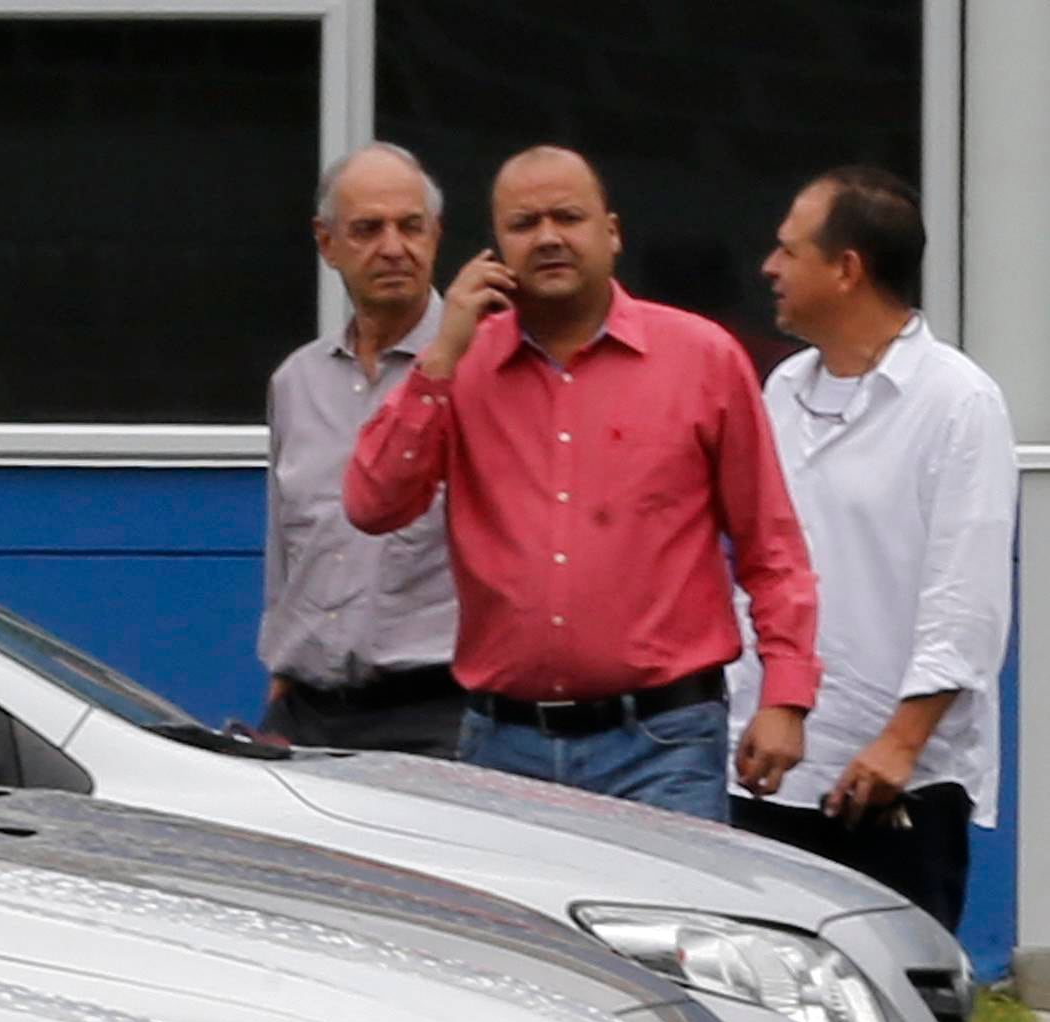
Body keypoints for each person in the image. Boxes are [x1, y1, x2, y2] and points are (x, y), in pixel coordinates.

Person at [347, 145, 820, 819]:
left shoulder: (702, 359)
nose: (548, 238)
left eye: (568, 217)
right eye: (524, 224)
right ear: (495, 248)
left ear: (612, 232)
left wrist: (785, 696)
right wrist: (442, 353)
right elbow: (372, 505)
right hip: (503, 746)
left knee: (669, 896)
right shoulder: (460, 366)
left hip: (663, 742)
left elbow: (770, 545)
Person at [727, 166, 1010, 931]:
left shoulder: (958, 402)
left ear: (847, 268)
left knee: (900, 989)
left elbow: (967, 602)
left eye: (789, 251)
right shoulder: (783, 389)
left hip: (891, 783)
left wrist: (900, 744)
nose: (770, 268)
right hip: (769, 768)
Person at [262, 143, 465, 752]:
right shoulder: (296, 382)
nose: (393, 248)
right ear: (327, 243)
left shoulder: (484, 370)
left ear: (437, 235)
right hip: (305, 712)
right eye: (368, 229)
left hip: (439, 715)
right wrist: (282, 669)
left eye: (411, 226)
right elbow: (287, 545)